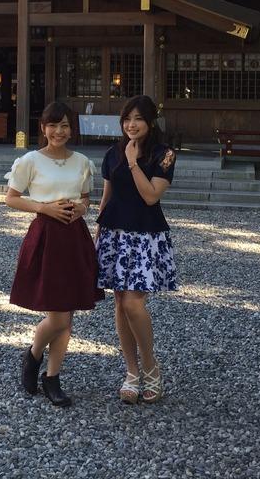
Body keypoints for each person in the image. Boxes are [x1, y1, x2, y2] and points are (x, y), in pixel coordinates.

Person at [5, 101, 103, 407]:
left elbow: (87, 198)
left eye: (64, 126)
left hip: (74, 236)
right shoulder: (30, 161)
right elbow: (11, 198)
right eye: (52, 125)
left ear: (72, 129)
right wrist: (43, 207)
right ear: (43, 128)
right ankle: (34, 355)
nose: (58, 132)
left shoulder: (82, 162)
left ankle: (52, 377)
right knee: (58, 316)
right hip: (47, 234)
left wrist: (82, 210)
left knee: (67, 312)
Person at [94, 94, 177, 404]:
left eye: (138, 119)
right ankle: (131, 371)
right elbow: (106, 197)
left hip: (145, 234)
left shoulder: (164, 154)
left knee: (133, 303)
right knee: (119, 303)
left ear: (150, 122)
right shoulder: (111, 153)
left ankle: (151, 367)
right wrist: (97, 234)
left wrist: (132, 161)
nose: (131, 125)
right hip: (114, 233)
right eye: (127, 119)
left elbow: (151, 196)